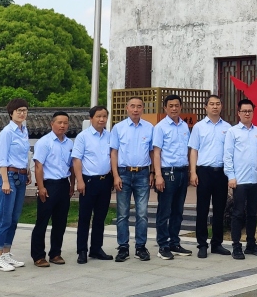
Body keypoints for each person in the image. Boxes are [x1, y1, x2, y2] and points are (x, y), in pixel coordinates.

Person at [111, 96, 154, 262]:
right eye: (133, 106)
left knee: (142, 213)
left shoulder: (149, 128)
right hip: (124, 173)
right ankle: (123, 247)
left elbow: (152, 152)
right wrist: (115, 175)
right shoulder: (118, 128)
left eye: (139, 106)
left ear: (143, 108)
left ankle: (141, 247)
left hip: (143, 174)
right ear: (127, 108)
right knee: (122, 214)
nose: (136, 109)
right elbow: (113, 152)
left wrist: (152, 173)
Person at [188, 94, 232, 258]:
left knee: (220, 209)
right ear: (206, 107)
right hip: (204, 172)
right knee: (202, 209)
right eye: (211, 104)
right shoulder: (199, 127)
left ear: (221, 106)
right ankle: (202, 244)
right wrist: (193, 172)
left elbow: (230, 152)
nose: (215, 106)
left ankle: (217, 243)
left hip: (221, 172)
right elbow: (194, 150)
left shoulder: (228, 128)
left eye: (217, 104)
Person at [30, 111, 76, 267]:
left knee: (60, 221)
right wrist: (41, 187)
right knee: (42, 221)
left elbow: (72, 166)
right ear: (52, 124)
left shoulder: (69, 144)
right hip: (49, 185)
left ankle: (55, 253)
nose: (63, 126)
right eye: (59, 122)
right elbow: (38, 166)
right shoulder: (44, 142)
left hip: (63, 184)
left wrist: (72, 184)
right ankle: (38, 256)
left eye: (65, 123)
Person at [0, 98, 31, 272]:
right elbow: (2, 158)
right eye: (18, 111)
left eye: (24, 110)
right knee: (4, 218)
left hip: (21, 175)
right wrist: (5, 181)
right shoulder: (7, 132)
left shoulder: (24, 130)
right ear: (11, 113)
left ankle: (7, 253)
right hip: (9, 176)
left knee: (14, 218)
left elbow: (25, 155)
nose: (22, 113)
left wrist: (27, 171)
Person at [223, 99, 257, 260]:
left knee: (253, 213)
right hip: (239, 180)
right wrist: (231, 176)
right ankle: (236, 245)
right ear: (239, 113)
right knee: (238, 213)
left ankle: (251, 244)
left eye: (250, 111)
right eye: (244, 111)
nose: (247, 113)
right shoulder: (232, 132)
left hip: (255, 179)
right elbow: (227, 156)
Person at [72, 105, 114, 264]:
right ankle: (82, 250)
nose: (102, 119)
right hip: (88, 181)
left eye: (104, 116)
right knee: (84, 217)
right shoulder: (83, 137)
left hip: (105, 181)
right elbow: (77, 159)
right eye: (98, 116)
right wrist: (80, 181)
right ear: (91, 118)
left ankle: (96, 248)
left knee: (100, 217)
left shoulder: (110, 136)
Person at [152, 94, 192, 260]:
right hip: (167, 173)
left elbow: (188, 150)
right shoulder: (160, 127)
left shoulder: (184, 126)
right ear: (165, 108)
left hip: (182, 172)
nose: (174, 108)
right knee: (164, 211)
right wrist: (158, 175)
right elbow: (156, 153)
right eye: (171, 106)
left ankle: (175, 242)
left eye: (177, 105)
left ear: (180, 107)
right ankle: (163, 245)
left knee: (178, 210)